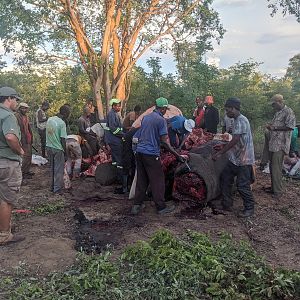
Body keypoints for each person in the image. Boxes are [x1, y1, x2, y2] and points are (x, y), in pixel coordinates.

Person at [131, 97, 185, 215]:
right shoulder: (161, 120)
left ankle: (136, 206)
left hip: (140, 152)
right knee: (158, 180)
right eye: (165, 109)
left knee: (142, 179)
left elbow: (141, 134)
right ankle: (161, 207)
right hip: (151, 154)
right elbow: (165, 141)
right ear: (163, 109)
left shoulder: (146, 118)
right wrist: (177, 155)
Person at [212, 97, 255, 218]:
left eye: (227, 110)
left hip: (243, 159)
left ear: (233, 108)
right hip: (235, 158)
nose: (227, 113)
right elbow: (233, 138)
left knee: (242, 185)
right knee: (225, 178)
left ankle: (249, 208)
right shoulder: (236, 120)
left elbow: (235, 139)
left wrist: (220, 152)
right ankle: (227, 203)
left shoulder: (241, 120)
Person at [0, 87, 25, 245]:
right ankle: (4, 235)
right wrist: (20, 150)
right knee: (6, 200)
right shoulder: (8, 116)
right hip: (6, 162)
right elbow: (10, 137)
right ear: (8, 98)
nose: (17, 102)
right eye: (16, 99)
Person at [260, 94, 296, 199]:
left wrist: (274, 128)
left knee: (276, 167)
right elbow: (274, 125)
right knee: (272, 166)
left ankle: (278, 191)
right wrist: (270, 126)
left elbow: (290, 127)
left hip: (280, 144)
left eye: (274, 104)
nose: (273, 106)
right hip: (273, 143)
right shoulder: (277, 113)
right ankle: (273, 188)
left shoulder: (288, 112)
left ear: (280, 102)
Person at [46, 105, 70, 193]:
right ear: (65, 113)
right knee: (58, 170)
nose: (69, 115)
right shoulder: (61, 123)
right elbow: (63, 139)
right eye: (68, 113)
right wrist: (66, 153)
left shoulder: (50, 119)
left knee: (52, 168)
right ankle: (57, 190)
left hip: (49, 146)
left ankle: (52, 187)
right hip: (58, 148)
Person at [105, 98, 125, 192]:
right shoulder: (112, 114)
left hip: (115, 140)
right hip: (115, 141)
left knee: (116, 161)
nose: (119, 107)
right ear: (113, 106)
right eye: (117, 105)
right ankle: (120, 181)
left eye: (119, 105)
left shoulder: (115, 114)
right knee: (119, 161)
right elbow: (113, 128)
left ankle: (117, 178)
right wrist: (124, 135)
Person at [15, 102, 34, 179]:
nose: (25, 109)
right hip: (22, 139)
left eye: (26, 108)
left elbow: (28, 127)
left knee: (29, 156)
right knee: (25, 157)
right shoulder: (16, 116)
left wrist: (31, 136)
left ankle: (27, 171)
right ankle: (23, 173)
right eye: (23, 108)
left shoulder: (26, 116)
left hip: (28, 138)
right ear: (20, 108)